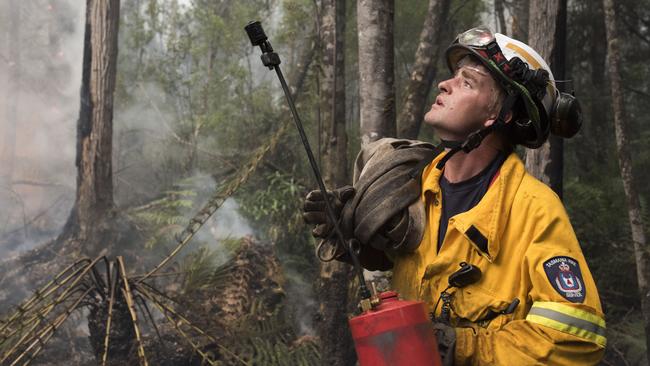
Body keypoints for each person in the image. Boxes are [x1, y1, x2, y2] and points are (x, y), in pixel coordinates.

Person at [303, 27, 604, 365]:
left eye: (467, 82)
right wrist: (358, 240)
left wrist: (461, 346)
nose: (444, 84)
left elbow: (576, 337)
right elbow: (409, 263)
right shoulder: (414, 185)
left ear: (501, 114)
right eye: (453, 76)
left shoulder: (533, 209)